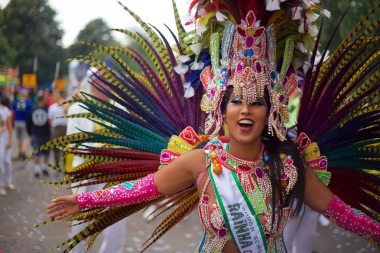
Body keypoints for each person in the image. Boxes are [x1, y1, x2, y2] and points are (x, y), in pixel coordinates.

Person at [42, 1, 379, 252]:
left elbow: (342, 213)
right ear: (221, 108)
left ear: (271, 110)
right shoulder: (200, 160)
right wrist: (85, 202)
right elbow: (141, 189)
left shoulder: (288, 164)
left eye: (256, 102)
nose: (245, 111)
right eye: (236, 101)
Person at [64, 68, 127, 253]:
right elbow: (71, 144)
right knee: (80, 226)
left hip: (114, 175)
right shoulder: (77, 108)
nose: (103, 86)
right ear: (91, 83)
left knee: (115, 226)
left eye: (107, 82)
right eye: (99, 82)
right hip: (86, 175)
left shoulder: (120, 109)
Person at [26, 96, 50, 177]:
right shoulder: (46, 110)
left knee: (36, 153)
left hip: (35, 134)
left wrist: (29, 132)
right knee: (46, 153)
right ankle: (44, 168)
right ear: (42, 101)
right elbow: (50, 122)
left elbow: (28, 122)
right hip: (46, 134)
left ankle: (37, 170)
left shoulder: (33, 110)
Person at [48, 87, 68, 180]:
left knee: (56, 151)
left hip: (56, 129)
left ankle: (57, 170)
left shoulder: (52, 107)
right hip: (65, 130)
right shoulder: (67, 105)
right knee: (65, 151)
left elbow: (50, 120)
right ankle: (65, 169)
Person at [12, 88, 34, 160]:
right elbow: (32, 112)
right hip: (25, 122)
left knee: (19, 138)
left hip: (16, 121)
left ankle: (19, 152)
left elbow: (12, 112)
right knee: (26, 138)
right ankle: (23, 152)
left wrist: (12, 121)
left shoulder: (16, 102)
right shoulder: (28, 103)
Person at [0, 96, 15, 195]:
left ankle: (8, 181)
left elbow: (7, 126)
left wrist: (10, 140)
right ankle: (1, 185)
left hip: (3, 139)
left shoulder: (5, 111)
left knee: (7, 161)